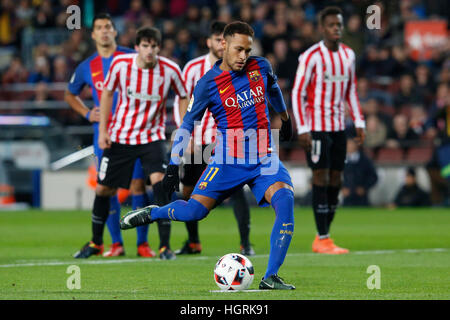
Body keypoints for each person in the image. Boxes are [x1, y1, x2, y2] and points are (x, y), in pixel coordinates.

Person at [120, 22, 296, 290]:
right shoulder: (207, 84)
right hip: (227, 159)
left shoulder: (261, 67)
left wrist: (284, 117)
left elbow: (272, 89)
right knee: (193, 211)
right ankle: (155, 214)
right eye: (238, 50)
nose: (243, 56)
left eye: (247, 50)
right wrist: (173, 165)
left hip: (263, 155)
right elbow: (188, 124)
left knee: (285, 201)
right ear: (222, 45)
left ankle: (270, 277)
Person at [72, 26, 188, 259]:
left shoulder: (170, 70)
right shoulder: (122, 65)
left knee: (160, 185)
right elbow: (106, 94)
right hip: (121, 137)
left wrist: (182, 127)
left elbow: (183, 95)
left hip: (152, 138)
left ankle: (164, 246)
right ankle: (96, 242)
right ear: (137, 47)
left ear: (158, 47)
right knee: (104, 188)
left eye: (153, 46)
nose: (149, 51)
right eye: (145, 46)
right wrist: (103, 130)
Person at [65, 13, 158, 258]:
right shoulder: (87, 66)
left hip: (135, 132)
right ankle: (115, 243)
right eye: (99, 28)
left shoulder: (131, 56)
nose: (104, 31)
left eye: (108, 27)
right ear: (93, 34)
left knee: (139, 184)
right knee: (107, 187)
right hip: (104, 135)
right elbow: (69, 94)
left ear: (115, 31)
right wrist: (87, 114)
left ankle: (143, 244)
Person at [173, 21, 254, 256]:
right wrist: (184, 135)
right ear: (210, 42)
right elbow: (182, 101)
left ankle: (245, 244)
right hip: (198, 142)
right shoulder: (192, 68)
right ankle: (193, 241)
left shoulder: (241, 69)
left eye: (224, 40)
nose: (221, 44)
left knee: (237, 190)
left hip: (226, 142)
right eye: (217, 39)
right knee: (188, 190)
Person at [291, 6, 366, 254]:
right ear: (322, 28)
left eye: (339, 25)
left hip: (338, 128)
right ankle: (322, 237)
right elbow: (298, 93)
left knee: (336, 178)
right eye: (332, 25)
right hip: (316, 128)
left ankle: (324, 235)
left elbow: (351, 91)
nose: (337, 28)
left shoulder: (348, 55)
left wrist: (359, 121)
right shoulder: (311, 56)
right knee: (320, 177)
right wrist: (302, 128)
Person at [342, 138, 378, 206]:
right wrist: (342, 188)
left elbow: (373, 177)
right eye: (348, 144)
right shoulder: (340, 159)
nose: (349, 146)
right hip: (347, 198)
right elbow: (334, 176)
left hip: (362, 199)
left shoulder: (365, 160)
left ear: (357, 145)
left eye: (351, 144)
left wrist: (364, 188)